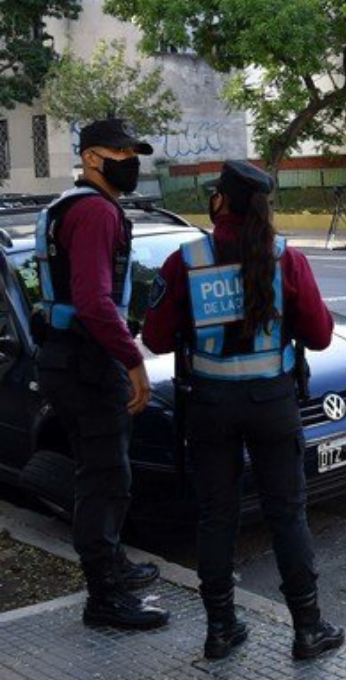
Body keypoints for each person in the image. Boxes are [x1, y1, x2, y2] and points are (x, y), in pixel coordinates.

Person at [142, 160, 343, 661]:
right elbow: (319, 335)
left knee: (216, 517)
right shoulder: (284, 259)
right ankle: (308, 629)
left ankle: (221, 629)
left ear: (220, 202)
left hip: (210, 406)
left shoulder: (186, 260)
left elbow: (155, 336)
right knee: (287, 515)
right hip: (272, 405)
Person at [33, 118, 168, 630]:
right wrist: (132, 359)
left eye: (134, 151)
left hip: (70, 356)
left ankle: (112, 567)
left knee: (103, 472)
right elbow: (93, 300)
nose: (131, 161)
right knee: (106, 479)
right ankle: (105, 598)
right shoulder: (94, 212)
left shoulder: (71, 206)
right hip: (88, 362)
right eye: (121, 151)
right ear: (92, 157)